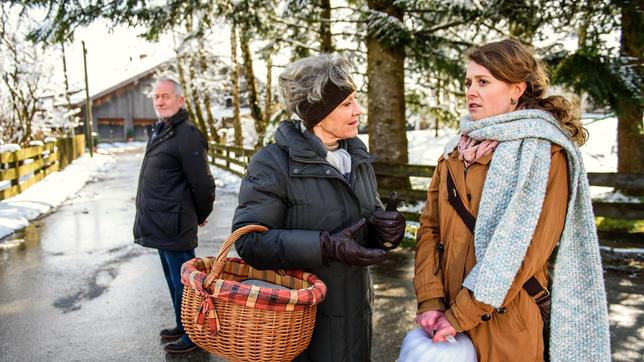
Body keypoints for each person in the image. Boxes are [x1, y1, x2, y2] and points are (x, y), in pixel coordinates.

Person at [413, 39, 610, 362]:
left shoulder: (545, 153)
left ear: (516, 89)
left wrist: (461, 314)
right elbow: (429, 229)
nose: (470, 91)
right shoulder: (454, 151)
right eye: (468, 82)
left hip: (507, 324)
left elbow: (525, 250)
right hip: (446, 318)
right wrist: (431, 301)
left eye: (483, 82)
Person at [232, 53, 407, 361]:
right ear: (318, 113)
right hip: (304, 324)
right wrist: (324, 246)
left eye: (356, 100)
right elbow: (249, 242)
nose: (358, 110)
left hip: (357, 314)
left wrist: (384, 231)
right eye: (346, 104)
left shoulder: (357, 157)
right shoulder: (273, 164)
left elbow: (365, 224)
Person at [133, 78, 216, 354]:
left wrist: (200, 213)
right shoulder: (162, 130)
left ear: (180, 101)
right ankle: (183, 326)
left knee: (187, 284)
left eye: (166, 96)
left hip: (176, 223)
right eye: (156, 97)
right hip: (161, 223)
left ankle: (194, 336)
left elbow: (203, 183)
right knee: (173, 280)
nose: (160, 101)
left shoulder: (187, 134)